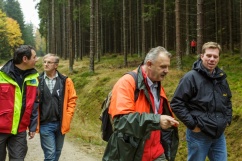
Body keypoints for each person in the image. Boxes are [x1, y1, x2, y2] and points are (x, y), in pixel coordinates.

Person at [103, 46, 179, 161]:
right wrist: (157, 120)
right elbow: (121, 121)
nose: (167, 70)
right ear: (149, 64)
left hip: (157, 152)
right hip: (132, 153)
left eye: (168, 66)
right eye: (163, 66)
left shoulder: (157, 83)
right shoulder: (127, 83)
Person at [170, 42, 232, 161]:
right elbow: (176, 103)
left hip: (219, 135)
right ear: (201, 56)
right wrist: (193, 125)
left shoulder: (221, 78)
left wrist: (227, 119)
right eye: (208, 55)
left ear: (219, 58)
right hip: (198, 135)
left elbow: (227, 100)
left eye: (215, 56)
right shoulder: (191, 77)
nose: (212, 59)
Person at [0, 45, 39, 160]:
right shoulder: (1, 74)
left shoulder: (33, 77)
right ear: (25, 59)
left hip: (20, 130)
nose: (37, 59)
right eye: (34, 57)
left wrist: (32, 126)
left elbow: (34, 104)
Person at [37, 53, 77, 161]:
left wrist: (68, 116)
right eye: (44, 62)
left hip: (60, 124)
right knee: (50, 154)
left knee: (57, 153)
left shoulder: (65, 81)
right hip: (45, 124)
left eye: (49, 62)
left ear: (56, 65)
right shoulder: (37, 80)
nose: (46, 64)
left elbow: (72, 99)